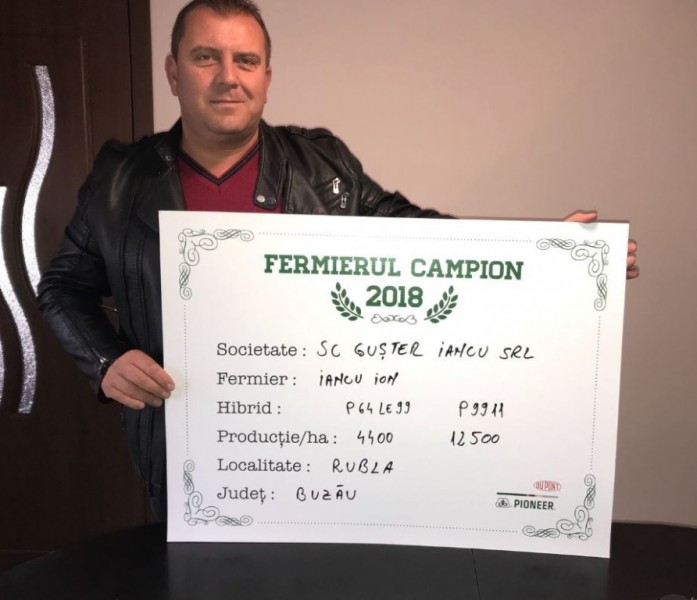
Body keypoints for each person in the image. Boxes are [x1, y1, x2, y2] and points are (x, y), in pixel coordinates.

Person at [37, 0, 639, 520]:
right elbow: (63, 287)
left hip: (328, 453)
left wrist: (551, 257)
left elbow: (424, 241)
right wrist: (106, 359)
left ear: (267, 76)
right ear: (173, 71)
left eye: (245, 61)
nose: (228, 77)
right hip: (185, 454)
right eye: (205, 57)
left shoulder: (325, 169)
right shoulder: (119, 180)